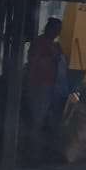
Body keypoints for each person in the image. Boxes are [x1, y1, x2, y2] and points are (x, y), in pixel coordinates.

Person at [26, 16, 64, 158]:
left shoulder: (55, 45)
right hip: (38, 85)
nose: (58, 33)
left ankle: (45, 152)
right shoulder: (39, 42)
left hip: (51, 86)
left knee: (50, 120)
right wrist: (51, 58)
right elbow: (34, 62)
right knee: (37, 120)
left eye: (59, 30)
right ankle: (32, 154)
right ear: (49, 29)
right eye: (56, 29)